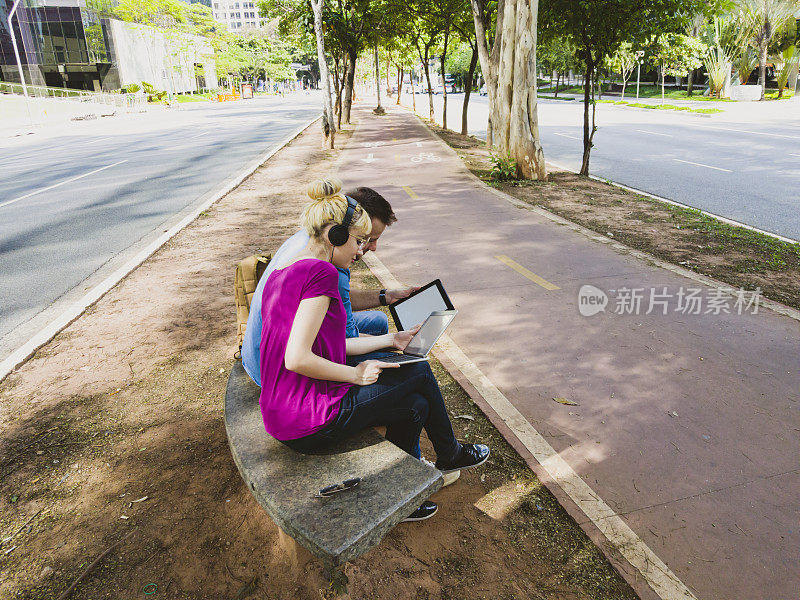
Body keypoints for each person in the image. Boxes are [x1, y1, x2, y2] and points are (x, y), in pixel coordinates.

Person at [258, 179, 490, 521]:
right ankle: (450, 453)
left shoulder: (285, 271)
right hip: (308, 418)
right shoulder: (322, 273)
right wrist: (355, 373)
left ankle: (401, 496)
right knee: (419, 369)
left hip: (283, 414)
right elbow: (296, 358)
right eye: (358, 241)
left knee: (415, 405)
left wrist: (389, 340)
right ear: (335, 236)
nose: (360, 250)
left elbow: (327, 345)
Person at [242, 186, 417, 387]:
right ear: (340, 233)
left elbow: (332, 299)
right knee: (402, 366)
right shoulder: (326, 267)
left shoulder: (312, 237)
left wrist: (385, 296)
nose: (368, 248)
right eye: (366, 239)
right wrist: (391, 345)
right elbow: (344, 341)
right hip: (273, 374)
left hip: (257, 355)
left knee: (377, 319)